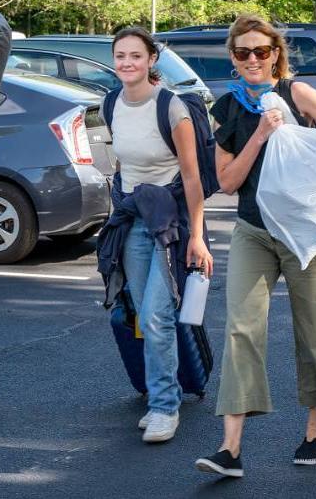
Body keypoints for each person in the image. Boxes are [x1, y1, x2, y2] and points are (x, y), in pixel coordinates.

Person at [194, 15, 316, 477]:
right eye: (242, 53)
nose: (252, 60)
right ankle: (229, 448)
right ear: (233, 59)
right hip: (253, 231)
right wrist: (259, 134)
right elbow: (228, 182)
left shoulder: (298, 93)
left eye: (260, 51)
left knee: (315, 331)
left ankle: (315, 433)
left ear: (275, 54)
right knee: (241, 330)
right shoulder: (228, 108)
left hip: (307, 236)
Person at [97, 27, 213, 443]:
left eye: (135, 56)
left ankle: (165, 407)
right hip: (132, 223)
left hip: (171, 226)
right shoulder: (110, 104)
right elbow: (118, 169)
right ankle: (164, 395)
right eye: (120, 56)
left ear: (151, 60)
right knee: (143, 317)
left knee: (156, 316)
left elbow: (193, 178)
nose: (127, 63)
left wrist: (197, 238)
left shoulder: (172, 108)